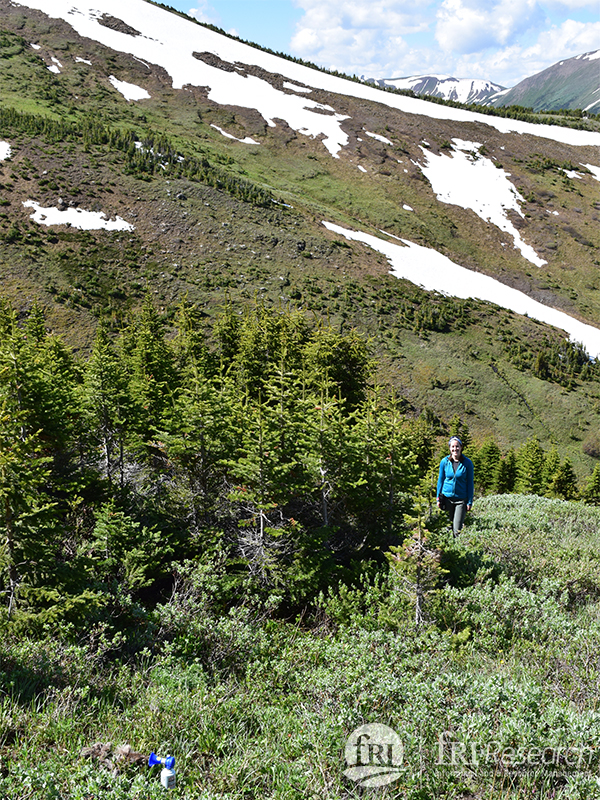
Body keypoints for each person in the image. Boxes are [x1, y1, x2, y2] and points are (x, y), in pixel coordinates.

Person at [436, 436, 474, 536]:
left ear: (461, 447)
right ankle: (446, 550)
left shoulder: (467, 463)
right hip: (446, 499)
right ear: (449, 448)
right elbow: (440, 480)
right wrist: (438, 498)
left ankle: (456, 549)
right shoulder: (444, 462)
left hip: (461, 500)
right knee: (447, 528)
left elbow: (470, 483)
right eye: (452, 447)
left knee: (457, 530)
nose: (455, 449)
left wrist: (469, 501)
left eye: (457, 446)